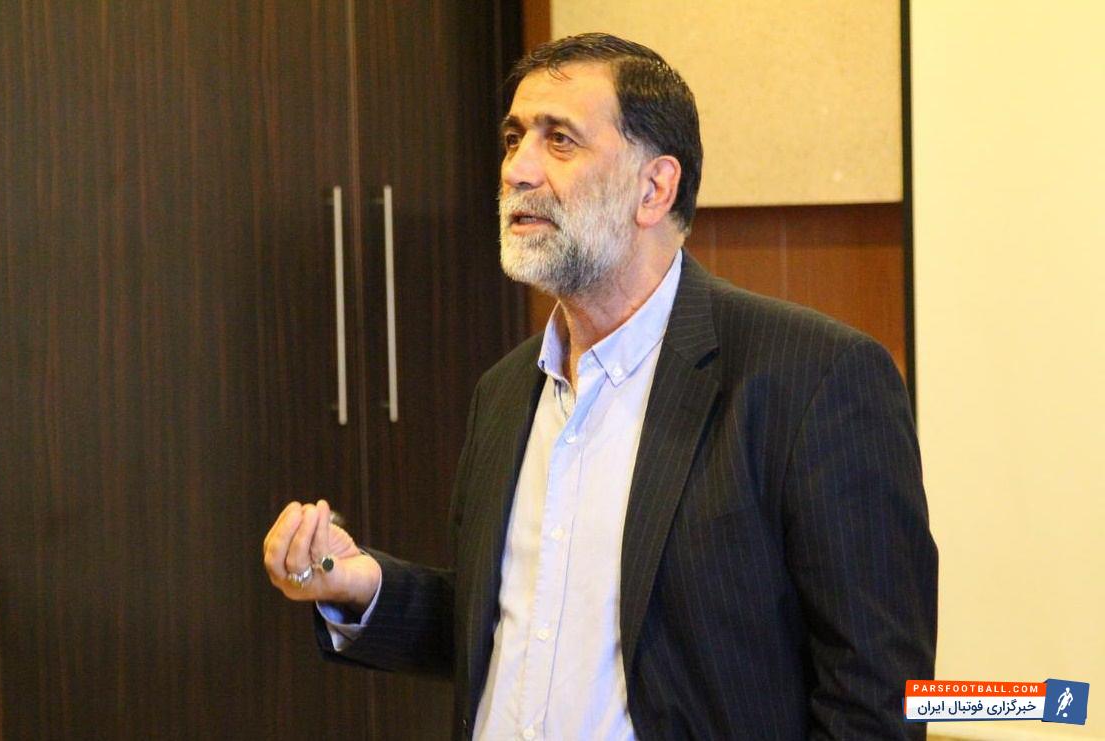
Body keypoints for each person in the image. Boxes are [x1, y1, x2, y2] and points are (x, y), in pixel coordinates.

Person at [263, 33, 937, 740]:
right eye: (514, 138)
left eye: (559, 140)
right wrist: (364, 587)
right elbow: (510, 627)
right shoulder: (504, 391)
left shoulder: (812, 379)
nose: (517, 169)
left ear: (654, 188)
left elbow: (880, 695)